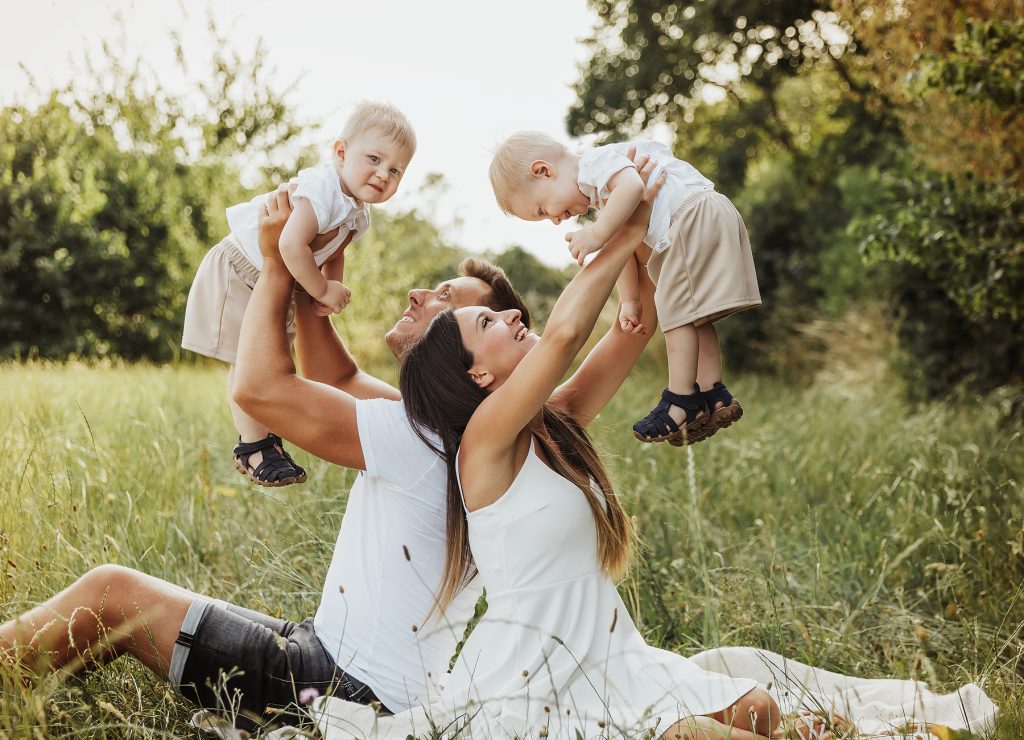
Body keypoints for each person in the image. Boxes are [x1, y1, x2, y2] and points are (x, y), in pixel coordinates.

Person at [0, 155, 662, 733]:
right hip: (351, 664)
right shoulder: (524, 427)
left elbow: (262, 387)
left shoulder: (423, 435)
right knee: (136, 604)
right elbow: (629, 330)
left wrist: (275, 266)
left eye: (455, 306)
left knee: (111, 592)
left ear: (475, 365)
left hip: (343, 683)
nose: (423, 297)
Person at [394, 172, 784, 738]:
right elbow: (564, 336)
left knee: (761, 711)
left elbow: (638, 323)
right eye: (489, 322)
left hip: (613, 657)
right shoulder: (484, 442)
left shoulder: (555, 421)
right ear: (478, 373)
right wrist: (623, 230)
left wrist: (639, 236)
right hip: (537, 678)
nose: (511, 316)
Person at [181, 101, 415, 488]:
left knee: (274, 360)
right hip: (242, 270)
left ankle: (267, 440)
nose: (383, 174)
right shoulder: (322, 188)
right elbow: (289, 244)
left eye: (395, 170)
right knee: (249, 359)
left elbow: (334, 250)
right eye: (373, 158)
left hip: (275, 282)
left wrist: (329, 290)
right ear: (341, 153)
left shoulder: (358, 212)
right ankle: (254, 445)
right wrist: (320, 287)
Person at [489, 131, 761, 447]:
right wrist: (630, 299)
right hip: (701, 215)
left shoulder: (594, 162)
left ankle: (680, 400)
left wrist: (597, 234)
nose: (553, 220)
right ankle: (713, 394)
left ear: (543, 170)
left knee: (674, 311)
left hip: (690, 215)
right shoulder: (604, 189)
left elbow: (632, 189)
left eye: (541, 210)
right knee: (694, 316)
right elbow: (625, 245)